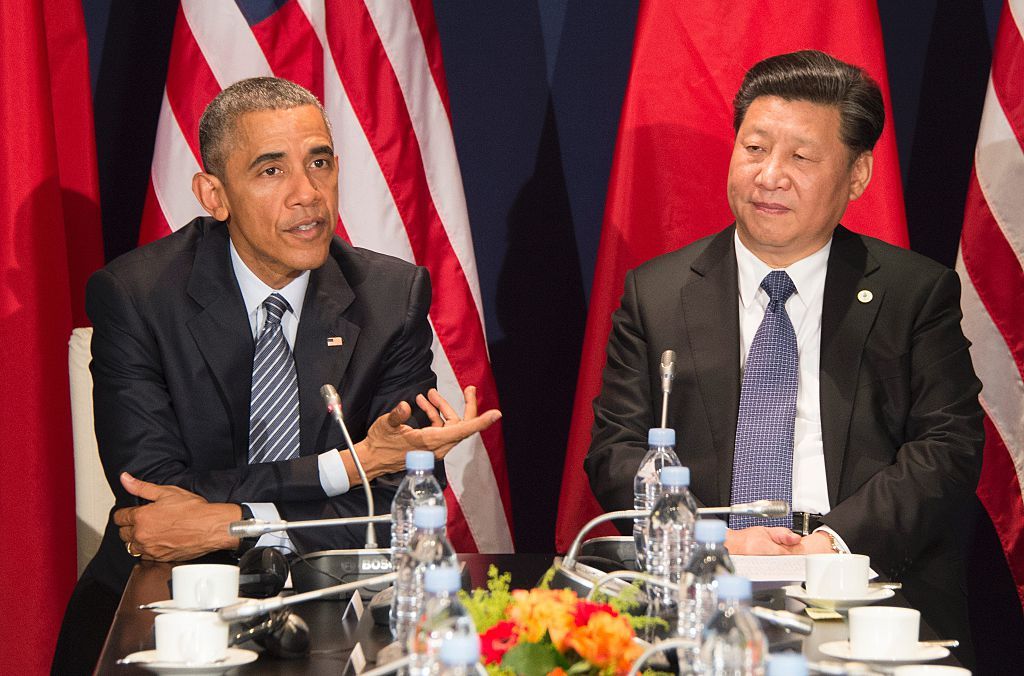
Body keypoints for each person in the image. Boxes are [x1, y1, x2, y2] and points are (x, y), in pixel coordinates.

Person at [53, 77, 500, 673]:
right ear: (215, 194)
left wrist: (239, 522)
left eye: (319, 162)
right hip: (166, 604)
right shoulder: (137, 296)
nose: (307, 194)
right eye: (270, 171)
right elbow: (156, 494)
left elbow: (397, 506)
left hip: (339, 608)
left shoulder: (390, 297)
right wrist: (347, 467)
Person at [584, 50, 983, 661]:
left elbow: (948, 446)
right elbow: (616, 451)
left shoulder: (914, 293)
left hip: (864, 584)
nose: (770, 175)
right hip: (701, 581)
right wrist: (712, 538)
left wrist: (831, 543)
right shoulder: (656, 293)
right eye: (754, 148)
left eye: (801, 157)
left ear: (857, 176)